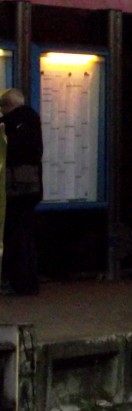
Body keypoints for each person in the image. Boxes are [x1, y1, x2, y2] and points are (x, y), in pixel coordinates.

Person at [0, 88, 42, 295]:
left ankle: (18, 282)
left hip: (15, 188)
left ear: (7, 106)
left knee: (14, 236)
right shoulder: (32, 119)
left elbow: (9, 152)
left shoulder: (10, 124)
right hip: (32, 188)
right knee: (25, 235)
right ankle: (28, 282)